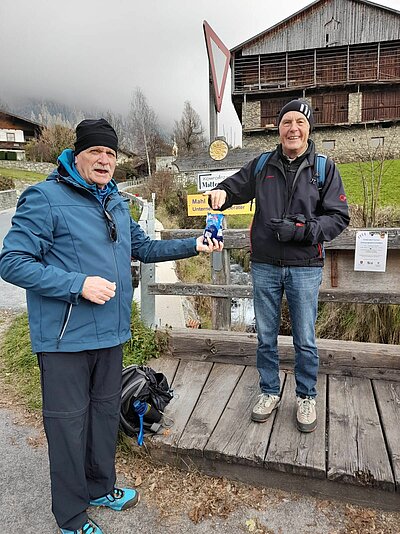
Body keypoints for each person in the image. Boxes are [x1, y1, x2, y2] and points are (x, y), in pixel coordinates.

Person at [0, 118, 223, 534]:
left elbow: (144, 247)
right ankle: (70, 517)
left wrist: (193, 243)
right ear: (77, 155)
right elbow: (12, 262)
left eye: (111, 154)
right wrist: (77, 284)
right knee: (67, 427)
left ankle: (100, 486)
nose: (104, 161)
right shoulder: (44, 198)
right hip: (64, 339)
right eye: (96, 152)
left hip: (111, 333)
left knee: (103, 415)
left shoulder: (114, 201)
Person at [205, 100, 349, 433]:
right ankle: (269, 391)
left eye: (299, 122)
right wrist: (220, 194)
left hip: (305, 266)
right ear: (279, 128)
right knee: (266, 337)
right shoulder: (262, 165)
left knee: (305, 338)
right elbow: (234, 187)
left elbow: (338, 217)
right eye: (287, 122)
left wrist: (303, 232)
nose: (293, 128)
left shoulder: (324, 169)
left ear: (309, 128)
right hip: (265, 265)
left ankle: (306, 395)